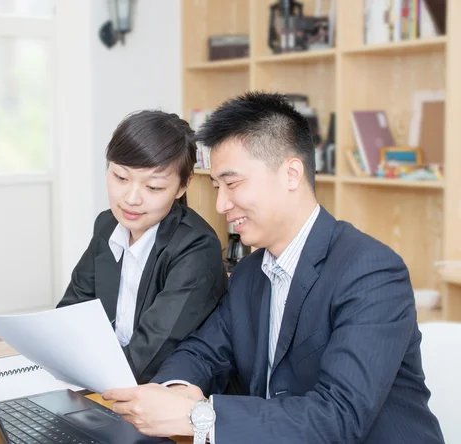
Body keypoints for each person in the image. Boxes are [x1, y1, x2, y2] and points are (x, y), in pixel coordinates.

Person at [102, 92, 444, 443]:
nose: (221, 204)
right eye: (217, 186)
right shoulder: (250, 272)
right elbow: (201, 351)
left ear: (291, 173)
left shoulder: (372, 272)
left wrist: (196, 417)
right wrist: (176, 390)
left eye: (232, 184)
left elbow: (338, 417)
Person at [57, 110, 227, 384]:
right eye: (121, 178)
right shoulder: (107, 226)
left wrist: (74, 369)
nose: (131, 199)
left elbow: (147, 357)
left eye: (153, 187)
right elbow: (70, 314)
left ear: (182, 186)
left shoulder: (196, 248)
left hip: (163, 396)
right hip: (102, 384)